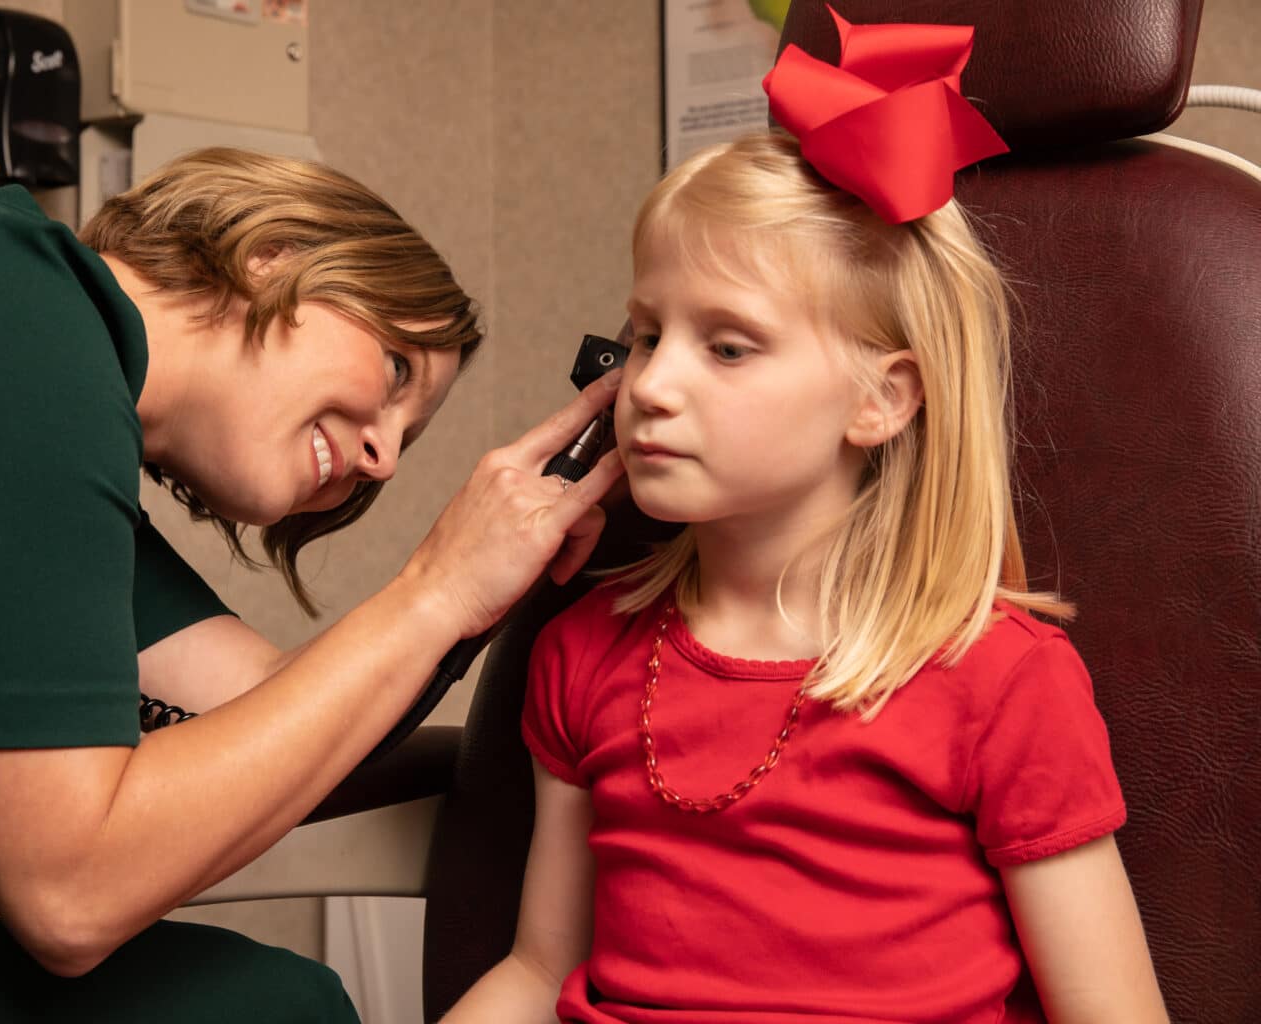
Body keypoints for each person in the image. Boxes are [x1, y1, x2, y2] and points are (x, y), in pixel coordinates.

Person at [0, 146, 622, 1023]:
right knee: (281, 1010)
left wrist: (511, 620)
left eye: (408, 438)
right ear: (275, 255)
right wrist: (435, 589)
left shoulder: (27, 365)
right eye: (396, 371)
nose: (384, 457)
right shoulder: (5, 320)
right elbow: (68, 894)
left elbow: (270, 708)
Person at [443, 13, 1169, 1024]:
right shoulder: (584, 654)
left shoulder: (1002, 683)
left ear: (882, 400)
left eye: (727, 347)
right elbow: (537, 969)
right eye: (645, 335)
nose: (650, 385)